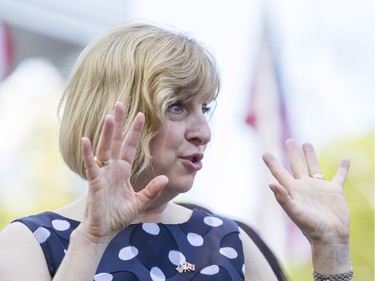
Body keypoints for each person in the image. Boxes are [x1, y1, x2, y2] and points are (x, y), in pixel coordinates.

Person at [0, 22, 353, 281]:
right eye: (177, 107)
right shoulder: (29, 243)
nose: (204, 133)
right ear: (114, 114)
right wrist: (91, 240)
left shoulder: (228, 241)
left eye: (206, 108)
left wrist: (331, 251)